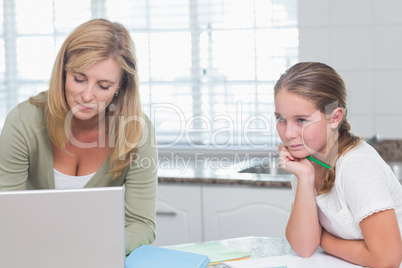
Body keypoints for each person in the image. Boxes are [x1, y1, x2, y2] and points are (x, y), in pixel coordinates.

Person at [0, 18, 157, 256]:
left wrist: (95, 251)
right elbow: (6, 213)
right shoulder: (24, 122)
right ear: (63, 72)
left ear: (120, 86)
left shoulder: (137, 131)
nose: (87, 95)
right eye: (79, 79)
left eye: (103, 85)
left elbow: (141, 224)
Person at [275, 62, 402, 267]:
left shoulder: (357, 165)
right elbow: (304, 247)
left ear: (334, 117)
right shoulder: (307, 162)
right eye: (281, 118)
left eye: (301, 120)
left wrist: (324, 240)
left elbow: (387, 260)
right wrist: (305, 178)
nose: (288, 134)